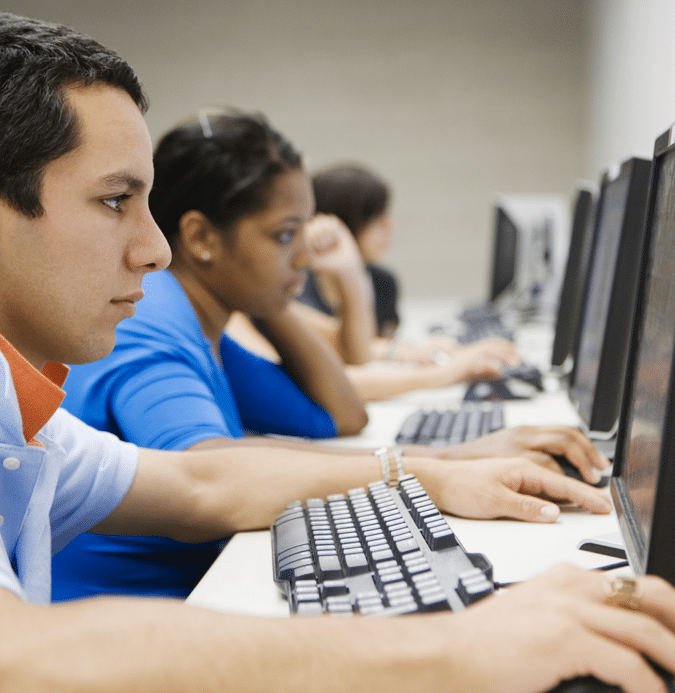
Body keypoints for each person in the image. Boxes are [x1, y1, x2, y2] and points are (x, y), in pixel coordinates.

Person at [1, 13, 674, 693]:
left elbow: (203, 484)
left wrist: (435, 474)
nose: (157, 250)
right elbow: (17, 654)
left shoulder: (17, 401)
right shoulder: (156, 318)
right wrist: (455, 645)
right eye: (116, 200)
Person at [52, 106, 611, 601]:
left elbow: (335, 416)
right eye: (283, 235)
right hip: (140, 610)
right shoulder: (150, 319)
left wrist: (272, 291)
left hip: (193, 595)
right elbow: (209, 467)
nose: (304, 258)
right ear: (199, 239)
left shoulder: (205, 321)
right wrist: (438, 468)